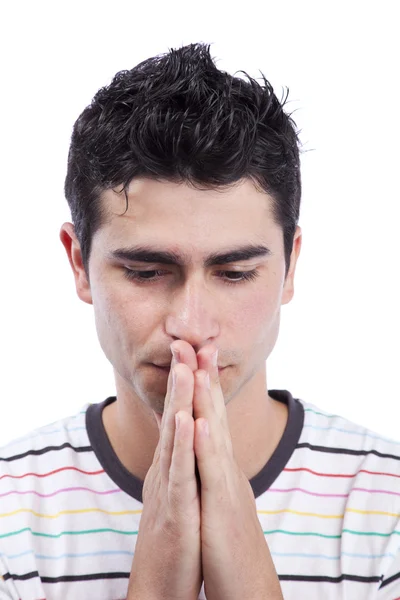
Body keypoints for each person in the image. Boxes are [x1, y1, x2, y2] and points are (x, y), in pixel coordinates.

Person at [0, 41, 399, 600]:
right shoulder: (11, 517)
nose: (191, 324)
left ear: (289, 268)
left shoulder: (389, 510)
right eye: (145, 271)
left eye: (234, 273)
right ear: (78, 262)